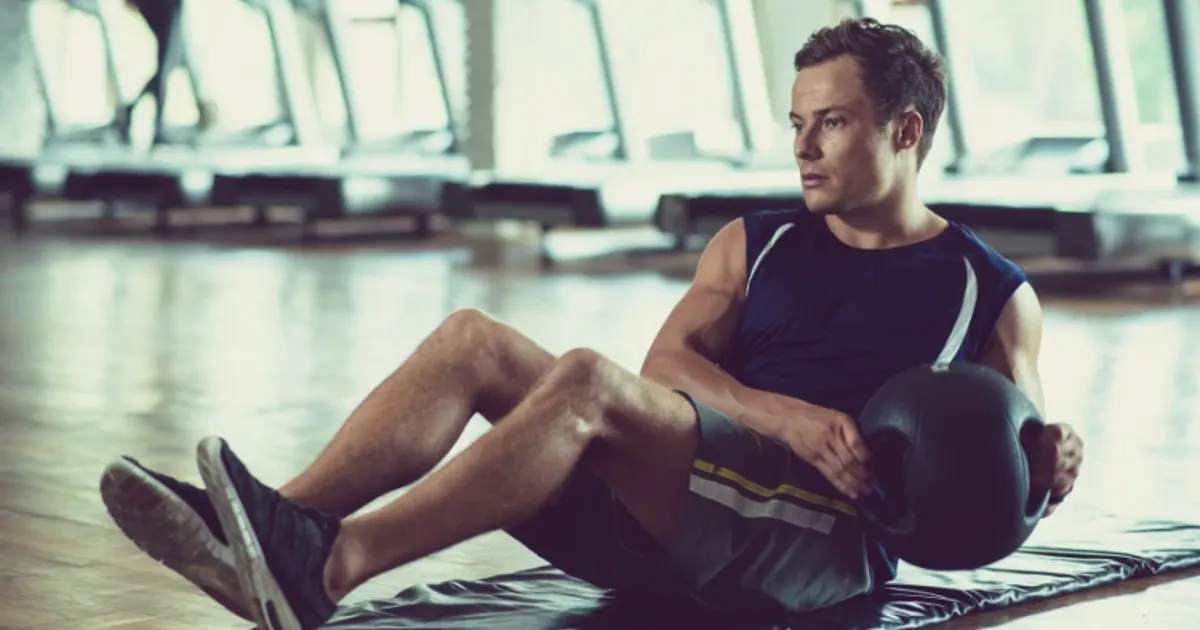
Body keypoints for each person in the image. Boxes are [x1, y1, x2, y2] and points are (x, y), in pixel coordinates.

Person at [98, 17, 1084, 630]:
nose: (804, 147)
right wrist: (779, 414)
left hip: (814, 542)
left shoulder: (987, 290)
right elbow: (671, 364)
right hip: (688, 496)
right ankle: (273, 534)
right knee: (471, 342)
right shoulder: (756, 242)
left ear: (904, 133)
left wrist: (1053, 468)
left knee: (583, 382)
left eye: (830, 122)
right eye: (796, 122)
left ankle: (333, 566)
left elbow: (1014, 463)